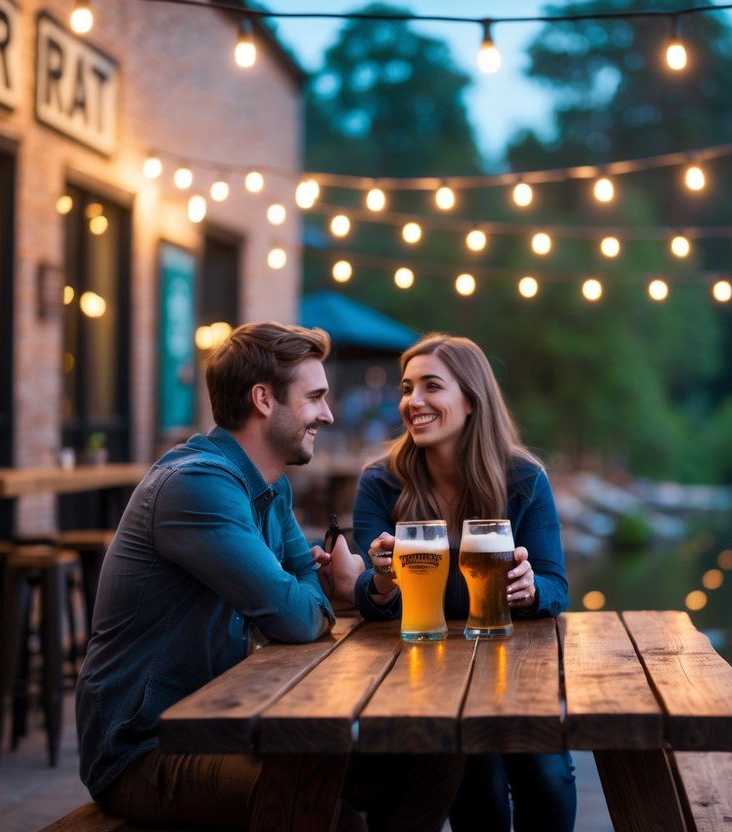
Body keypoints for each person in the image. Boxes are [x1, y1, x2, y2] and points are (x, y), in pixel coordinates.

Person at [75, 322, 464, 831]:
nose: (327, 414)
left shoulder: (268, 486)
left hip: (231, 727)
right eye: (315, 398)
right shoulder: (196, 485)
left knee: (431, 756)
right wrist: (304, 591)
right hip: (146, 748)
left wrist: (301, 588)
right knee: (319, 809)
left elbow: (303, 584)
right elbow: (301, 615)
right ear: (263, 399)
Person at [351, 333, 576, 832]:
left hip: (511, 663)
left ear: (471, 401)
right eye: (407, 388)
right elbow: (369, 596)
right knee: (478, 776)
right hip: (421, 673)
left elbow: (557, 584)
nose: (414, 402)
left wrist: (530, 587)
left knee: (548, 774)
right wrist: (382, 582)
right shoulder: (380, 482)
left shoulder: (523, 479)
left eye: (432, 387)